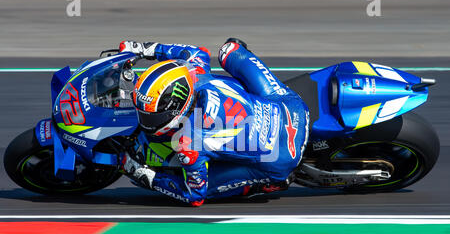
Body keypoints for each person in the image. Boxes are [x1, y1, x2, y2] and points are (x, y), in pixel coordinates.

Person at [119, 38, 309, 206]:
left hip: (283, 157)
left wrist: (147, 177)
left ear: (176, 109)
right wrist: (145, 49)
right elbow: (196, 52)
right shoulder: (196, 70)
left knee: (206, 187)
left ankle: (262, 184)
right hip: (289, 105)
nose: (145, 119)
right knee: (229, 50)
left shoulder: (187, 143)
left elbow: (194, 196)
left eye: (151, 115)